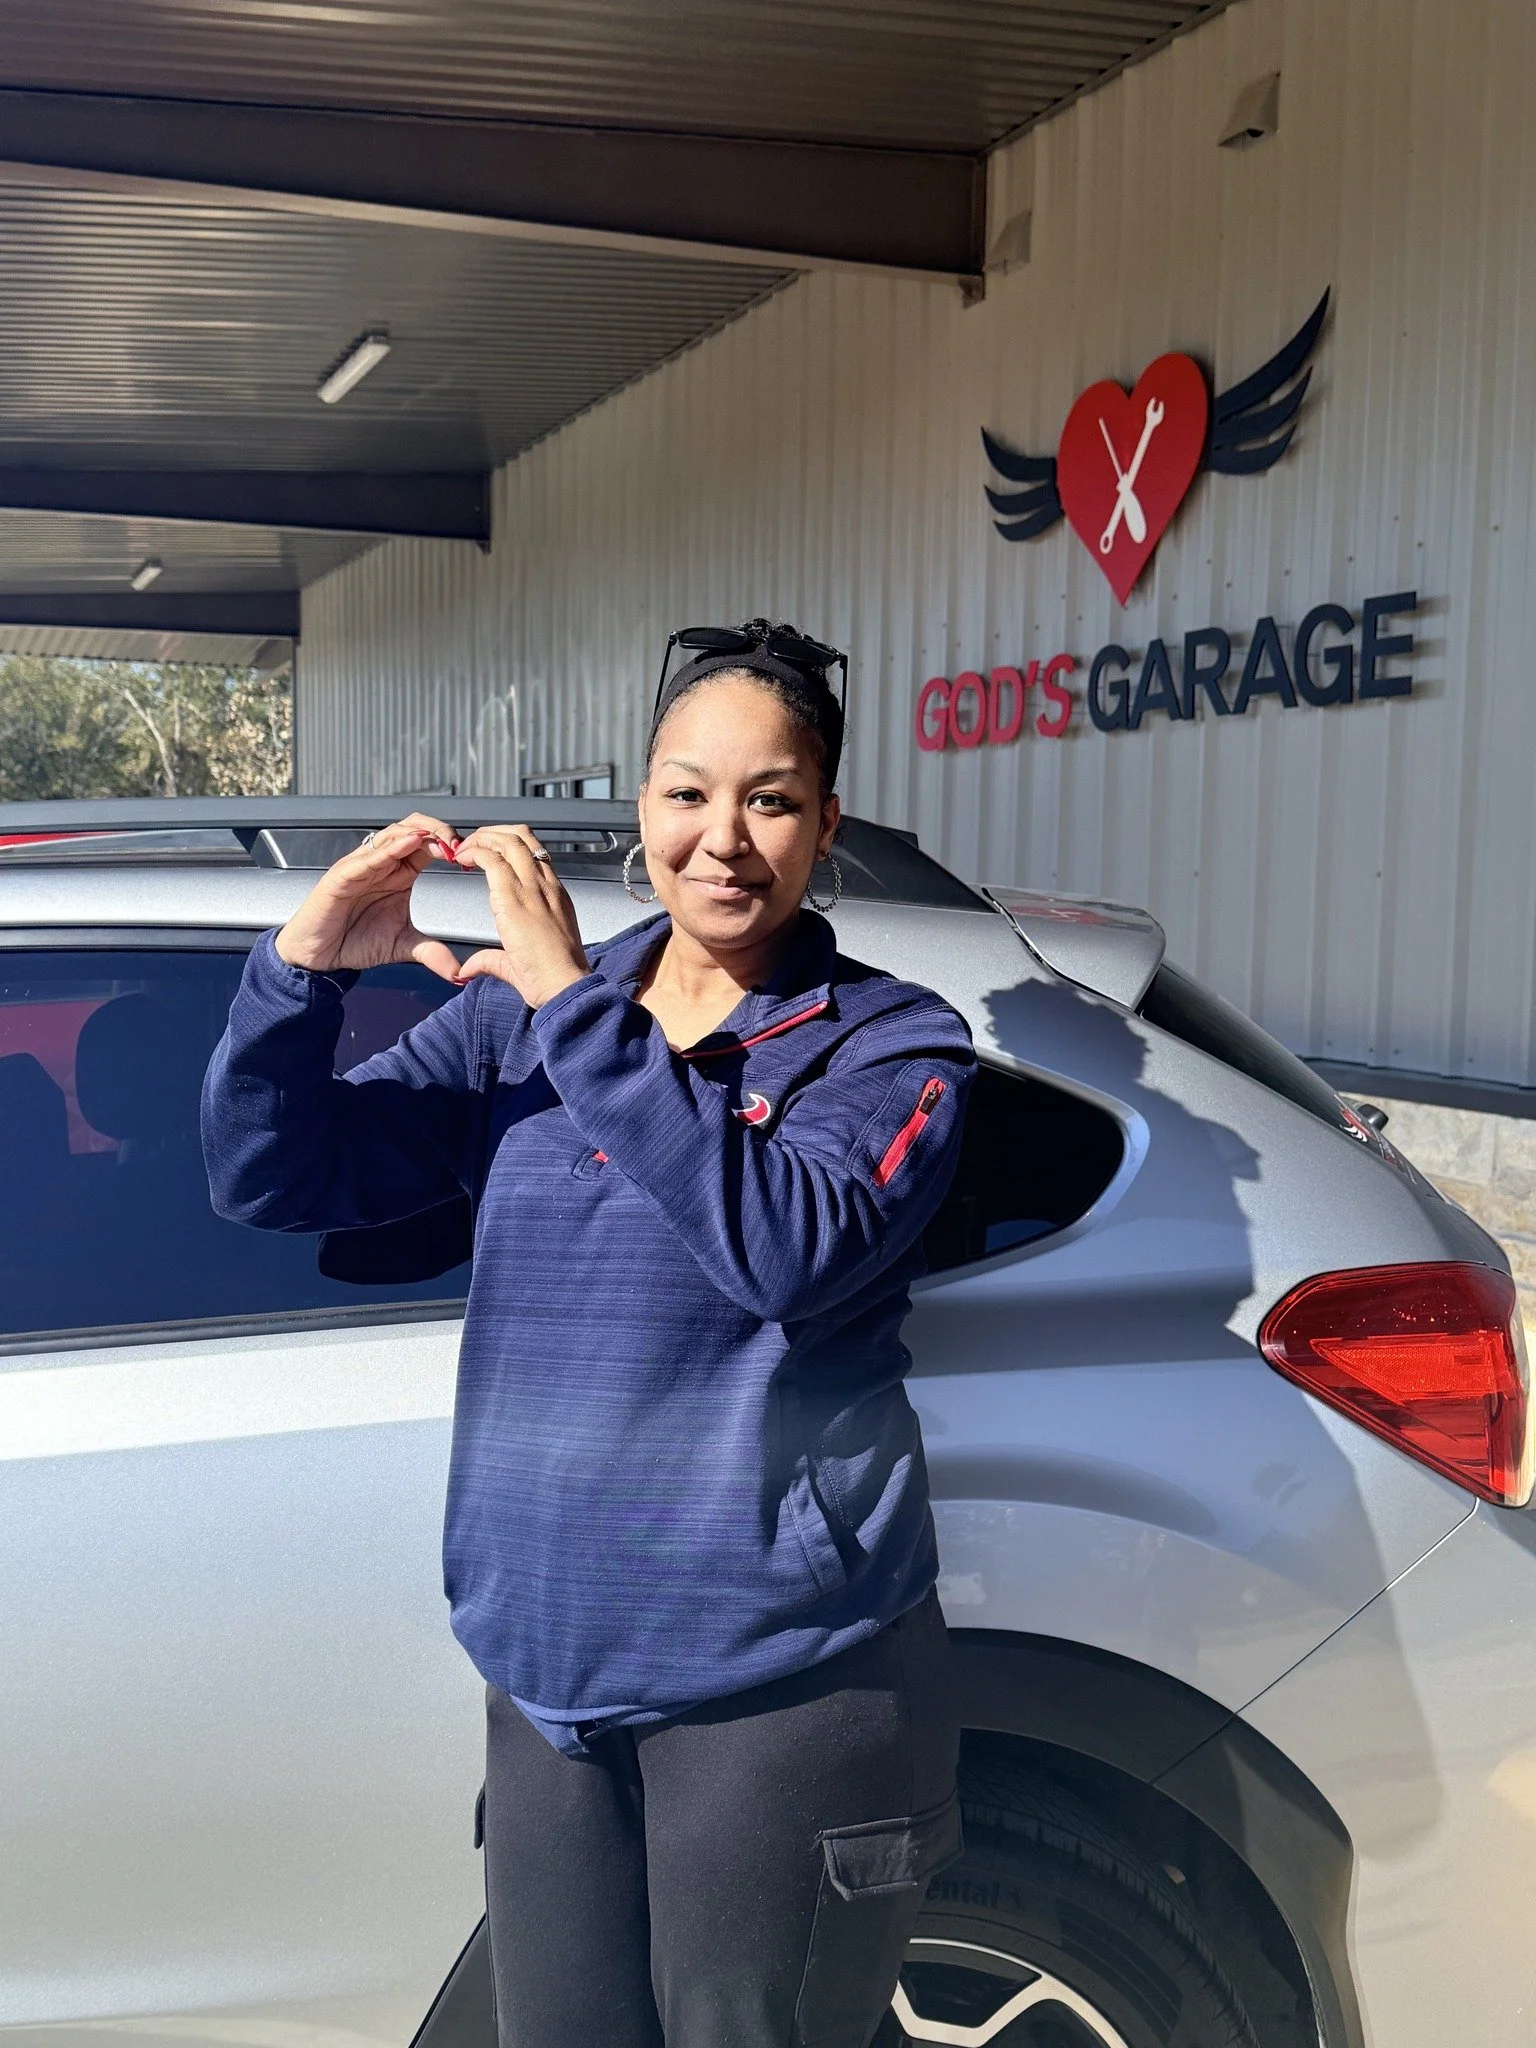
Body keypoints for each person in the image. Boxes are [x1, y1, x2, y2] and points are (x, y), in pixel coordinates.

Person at [201, 620, 977, 2048]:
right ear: (641, 803)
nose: (723, 839)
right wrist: (299, 970)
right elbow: (276, 1177)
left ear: (827, 825)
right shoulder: (523, 1024)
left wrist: (572, 1004)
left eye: (771, 798)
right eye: (688, 792)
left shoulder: (888, 1047)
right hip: (548, 1663)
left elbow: (787, 1250)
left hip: (778, 1679)